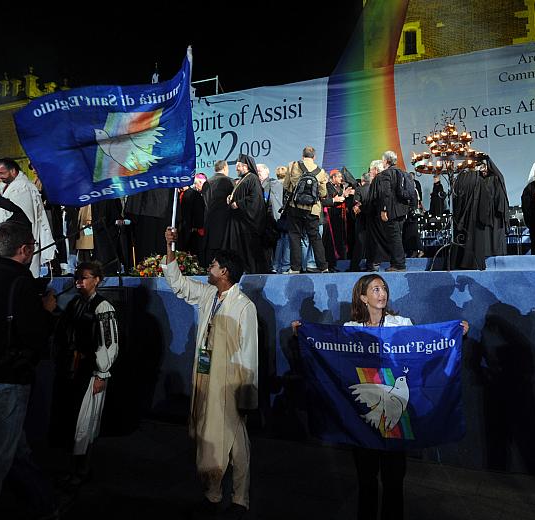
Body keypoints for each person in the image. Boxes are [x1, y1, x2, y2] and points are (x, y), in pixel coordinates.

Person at [293, 275, 468, 519]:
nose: (382, 293)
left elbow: (426, 349)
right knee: (366, 481)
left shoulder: (402, 323)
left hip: (396, 423)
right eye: (375, 289)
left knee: (394, 482)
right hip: (363, 423)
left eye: (384, 288)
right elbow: (330, 359)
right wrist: (303, 334)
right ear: (363, 297)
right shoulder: (350, 330)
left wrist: (456, 335)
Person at [161, 227, 258, 518]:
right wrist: (170, 247)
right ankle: (212, 494)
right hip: (205, 377)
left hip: (230, 382)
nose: (209, 269)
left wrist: (246, 393)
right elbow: (178, 284)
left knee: (237, 443)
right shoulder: (208, 294)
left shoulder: (244, 306)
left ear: (224, 272)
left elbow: (249, 351)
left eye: (213, 265)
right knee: (208, 437)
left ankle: (240, 498)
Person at [0, 221, 58, 519]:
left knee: (16, 452)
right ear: (24, 250)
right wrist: (47, 313)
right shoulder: (21, 285)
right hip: (6, 383)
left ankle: (44, 504)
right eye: (33, 247)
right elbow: (35, 337)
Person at [49, 261, 119, 488]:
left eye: (85, 277)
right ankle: (73, 468)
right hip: (74, 371)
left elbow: (109, 345)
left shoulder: (103, 308)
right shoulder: (76, 304)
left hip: (90, 372)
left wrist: (102, 373)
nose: (79, 281)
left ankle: (82, 470)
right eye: (77, 277)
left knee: (85, 423)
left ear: (96, 279)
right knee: (73, 421)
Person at [0, 158, 56, 277]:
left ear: (13, 171)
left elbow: (20, 212)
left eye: (2, 173)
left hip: (15, 241)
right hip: (2, 239)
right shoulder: (3, 186)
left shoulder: (23, 186)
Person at [283, 146, 328, 274]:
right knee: (315, 237)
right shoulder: (320, 171)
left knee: (295, 236)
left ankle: (295, 268)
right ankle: (323, 267)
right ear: (314, 157)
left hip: (295, 207)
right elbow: (323, 192)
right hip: (313, 209)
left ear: (303, 156)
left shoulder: (292, 165)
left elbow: (286, 185)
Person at [224, 154, 268, 275]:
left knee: (248, 249)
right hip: (239, 222)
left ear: (246, 166)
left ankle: (251, 271)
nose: (236, 168)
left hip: (247, 223)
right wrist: (231, 197)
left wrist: (238, 203)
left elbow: (255, 198)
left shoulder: (252, 178)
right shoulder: (245, 178)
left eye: (238, 166)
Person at [365, 151, 407, 272]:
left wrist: (384, 210)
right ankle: (396, 263)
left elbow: (385, 194)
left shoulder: (384, 175)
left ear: (385, 161)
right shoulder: (403, 173)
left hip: (391, 212)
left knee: (394, 238)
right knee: (397, 237)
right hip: (402, 211)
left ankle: (399, 265)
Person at [451, 163, 490, 270]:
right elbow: (484, 202)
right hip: (475, 219)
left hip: (460, 219)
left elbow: (454, 198)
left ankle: (457, 262)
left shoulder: (459, 180)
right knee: (475, 240)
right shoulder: (480, 181)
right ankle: (475, 264)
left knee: (460, 238)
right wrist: (484, 219)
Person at [202, 160, 234, 266]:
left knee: (211, 249)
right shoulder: (229, 181)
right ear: (225, 168)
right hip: (225, 222)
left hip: (209, 222)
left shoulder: (208, 182)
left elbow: (205, 203)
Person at [322, 168, 355, 269]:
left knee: (342, 238)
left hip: (341, 216)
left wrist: (345, 195)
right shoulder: (328, 186)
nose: (341, 178)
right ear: (333, 177)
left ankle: (342, 259)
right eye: (339, 176)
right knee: (333, 239)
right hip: (332, 216)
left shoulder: (340, 187)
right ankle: (332, 262)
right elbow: (332, 199)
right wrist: (343, 195)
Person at [257, 163, 284, 272]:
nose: (258, 174)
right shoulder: (258, 185)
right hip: (264, 221)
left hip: (271, 220)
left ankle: (272, 266)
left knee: (273, 244)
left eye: (260, 171)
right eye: (257, 171)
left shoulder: (273, 184)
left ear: (267, 171)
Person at [482, 156, 510, 257]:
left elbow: (500, 197)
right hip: (484, 214)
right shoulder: (480, 179)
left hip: (495, 214)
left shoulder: (495, 178)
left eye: (484, 167)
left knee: (496, 239)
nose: (483, 170)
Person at [177, 173, 207, 265]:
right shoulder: (177, 195)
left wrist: (196, 226)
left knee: (192, 252)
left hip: (191, 229)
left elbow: (199, 212)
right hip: (180, 228)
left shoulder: (194, 194)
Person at [349, 169, 375, 272]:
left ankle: (354, 266)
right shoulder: (374, 189)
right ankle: (371, 265)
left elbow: (356, 205)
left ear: (362, 180)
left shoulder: (359, 189)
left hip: (361, 220)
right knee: (371, 243)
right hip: (373, 220)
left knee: (359, 244)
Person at [272, 166, 291, 274]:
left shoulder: (272, 185)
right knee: (288, 241)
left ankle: (275, 265)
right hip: (286, 216)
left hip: (276, 218)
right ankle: (285, 266)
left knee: (279, 242)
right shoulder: (287, 186)